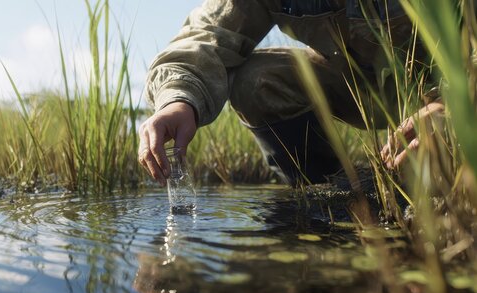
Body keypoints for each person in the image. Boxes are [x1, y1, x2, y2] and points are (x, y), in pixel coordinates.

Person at [137, 0, 445, 186]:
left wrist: (454, 105)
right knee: (256, 80)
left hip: (447, 88)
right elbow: (206, 33)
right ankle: (329, 196)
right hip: (357, 86)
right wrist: (178, 99)